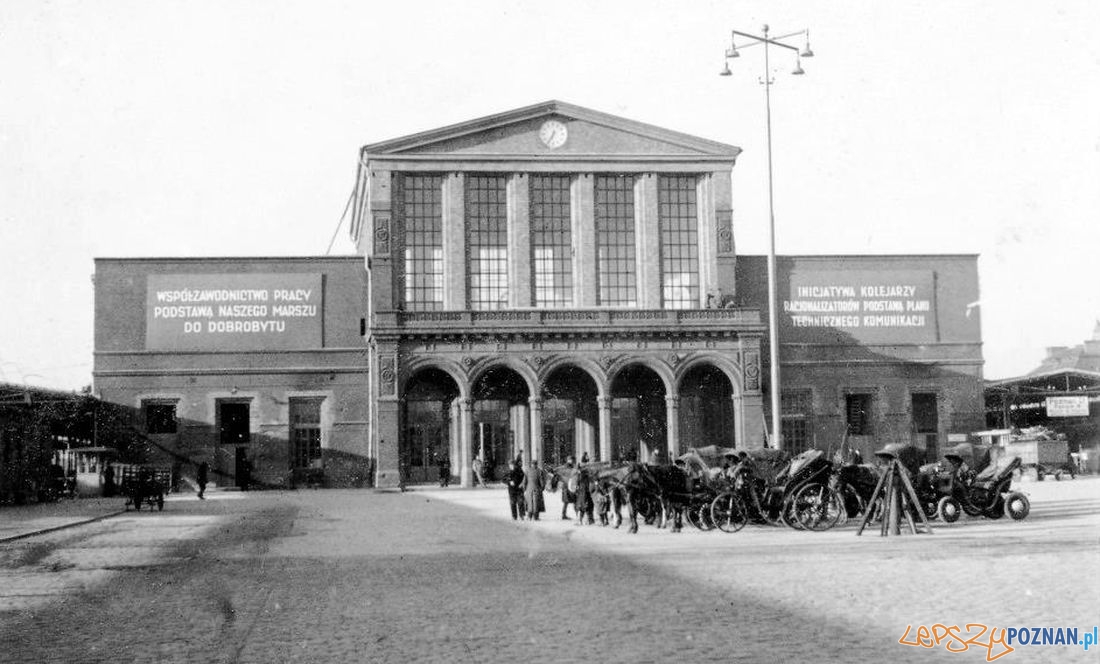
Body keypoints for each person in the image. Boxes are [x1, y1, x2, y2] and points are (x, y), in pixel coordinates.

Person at [560, 455, 577, 520]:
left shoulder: (571, 467)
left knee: (573, 501)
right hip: (567, 486)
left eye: (572, 460)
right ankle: (564, 515)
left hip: (569, 486)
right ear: (568, 460)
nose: (571, 461)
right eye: (570, 460)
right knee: (568, 502)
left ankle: (576, 514)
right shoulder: (566, 468)